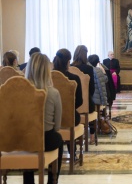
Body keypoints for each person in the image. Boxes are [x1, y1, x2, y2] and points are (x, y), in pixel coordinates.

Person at [23, 53, 63, 184]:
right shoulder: (53, 93)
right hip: (46, 139)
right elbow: (57, 126)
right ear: (47, 71)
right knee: (58, 139)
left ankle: (28, 181)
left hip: (23, 141)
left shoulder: (19, 92)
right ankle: (52, 180)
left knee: (27, 139)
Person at [71, 45, 96, 144]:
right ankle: (92, 136)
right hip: (87, 103)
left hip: (73, 104)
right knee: (91, 106)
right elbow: (92, 88)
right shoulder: (89, 68)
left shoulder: (70, 67)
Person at [53, 48, 83, 125]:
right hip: (69, 116)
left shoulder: (47, 76)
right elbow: (79, 101)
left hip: (51, 116)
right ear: (68, 62)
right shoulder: (74, 78)